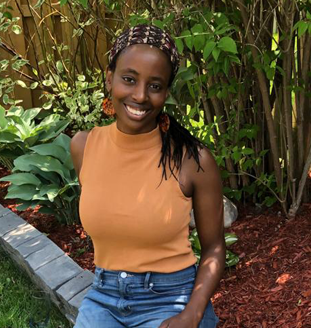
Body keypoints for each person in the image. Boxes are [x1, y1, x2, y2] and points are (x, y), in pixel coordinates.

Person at [70, 24, 226, 328]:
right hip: (104, 296)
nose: (140, 96)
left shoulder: (192, 160)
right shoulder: (84, 146)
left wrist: (192, 314)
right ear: (109, 78)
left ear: (166, 91)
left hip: (172, 298)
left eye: (154, 86)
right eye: (129, 79)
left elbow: (214, 248)